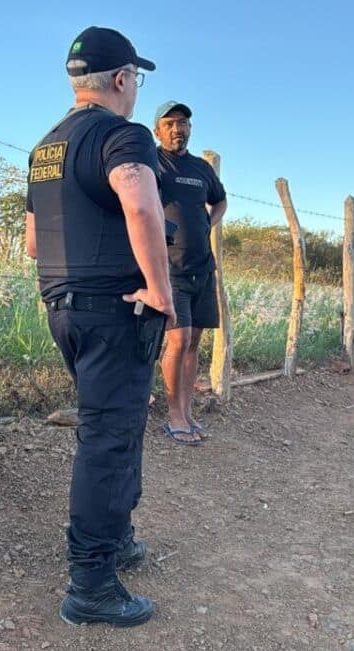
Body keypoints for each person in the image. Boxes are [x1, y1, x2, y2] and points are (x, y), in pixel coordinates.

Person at [24, 26, 173, 628]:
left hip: (64, 305)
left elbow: (34, 241)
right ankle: (90, 582)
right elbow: (139, 203)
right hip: (116, 307)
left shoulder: (46, 146)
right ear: (119, 79)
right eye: (136, 77)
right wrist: (160, 291)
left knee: (114, 426)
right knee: (109, 438)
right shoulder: (123, 134)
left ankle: (116, 541)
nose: (136, 88)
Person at [154, 101, 227, 445]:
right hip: (170, 266)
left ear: (190, 129)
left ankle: (186, 412)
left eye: (182, 123)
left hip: (203, 266)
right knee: (178, 340)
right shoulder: (151, 162)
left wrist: (206, 224)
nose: (176, 129)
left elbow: (221, 200)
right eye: (169, 123)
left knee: (195, 342)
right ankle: (172, 416)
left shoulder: (201, 169)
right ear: (158, 130)